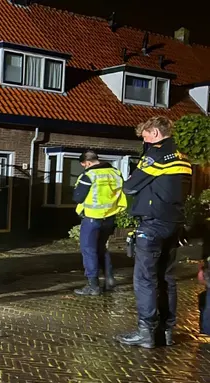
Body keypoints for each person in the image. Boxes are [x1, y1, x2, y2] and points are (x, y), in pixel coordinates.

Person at [118, 116, 193, 349]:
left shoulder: (156, 156)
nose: (145, 141)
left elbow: (129, 186)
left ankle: (146, 332)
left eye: (146, 136)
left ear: (156, 133)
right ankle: (166, 331)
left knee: (145, 279)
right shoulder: (183, 157)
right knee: (166, 278)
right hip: (175, 224)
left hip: (153, 224)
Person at [71, 151, 128, 296]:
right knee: (101, 247)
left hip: (92, 218)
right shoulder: (115, 173)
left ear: (87, 163)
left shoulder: (89, 175)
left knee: (89, 250)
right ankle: (109, 280)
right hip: (109, 218)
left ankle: (93, 286)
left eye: (84, 165)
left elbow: (78, 197)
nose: (84, 168)